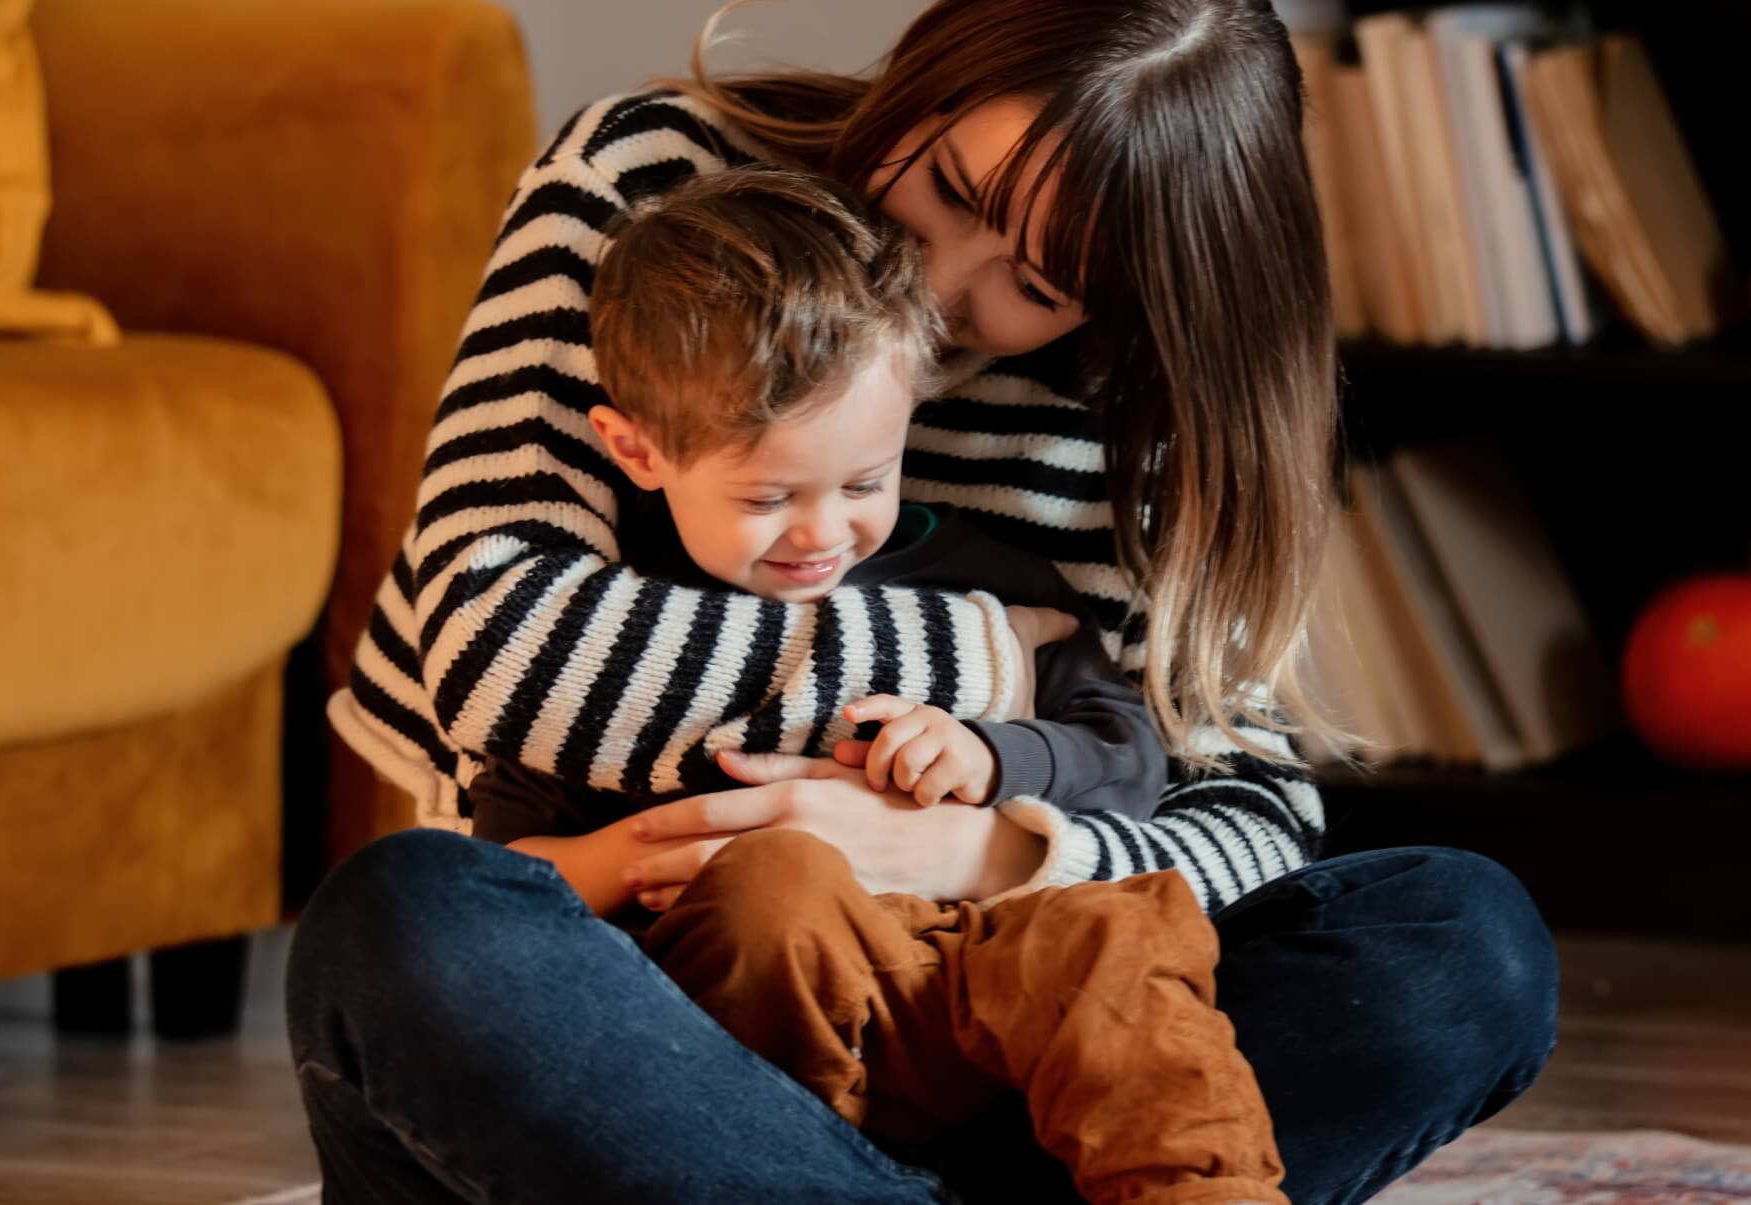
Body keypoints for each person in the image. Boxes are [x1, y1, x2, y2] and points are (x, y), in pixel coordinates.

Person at [295, 2, 1559, 1203]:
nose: (934, 280)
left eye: (1037, 285)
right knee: (402, 918)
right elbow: (501, 649)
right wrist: (996, 660)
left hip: (973, 1013)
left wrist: (979, 846)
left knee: (1462, 942)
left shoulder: (1153, 397)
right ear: (928, 72)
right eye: (949, 188)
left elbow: (1246, 813)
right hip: (646, 1046)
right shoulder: (650, 181)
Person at [459, 163, 1287, 1205]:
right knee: (777, 879)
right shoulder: (602, 627)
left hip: (952, 978)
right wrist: (637, 853)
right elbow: (505, 875)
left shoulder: (983, 584)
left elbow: (1126, 756)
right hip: (737, 1025)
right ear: (636, 449)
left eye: (864, 482)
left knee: (1111, 927)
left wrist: (991, 755)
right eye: (767, 494)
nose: (822, 532)